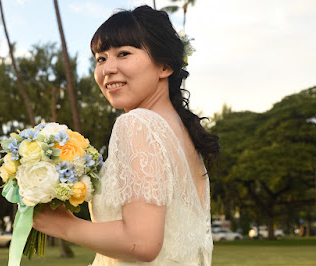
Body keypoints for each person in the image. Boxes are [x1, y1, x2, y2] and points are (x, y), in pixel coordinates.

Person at [33, 5, 220, 265]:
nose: (108, 69)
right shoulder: (183, 133)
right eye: (100, 58)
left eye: (123, 53)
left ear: (164, 66)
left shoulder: (137, 123)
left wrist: (62, 225)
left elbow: (142, 243)